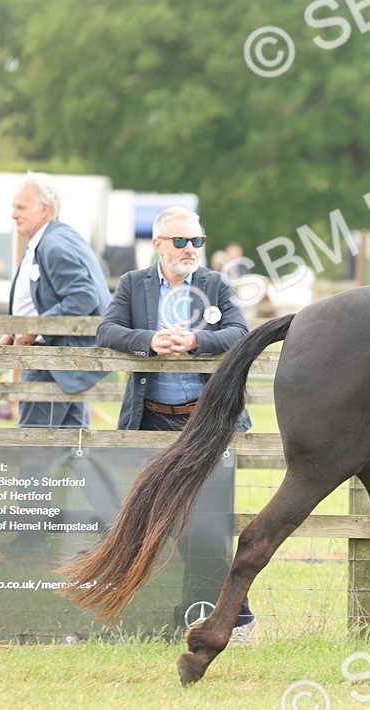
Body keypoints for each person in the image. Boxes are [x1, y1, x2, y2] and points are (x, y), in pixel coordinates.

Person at [97, 206, 257, 643]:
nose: (190, 250)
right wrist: (148, 341)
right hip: (151, 422)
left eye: (197, 242)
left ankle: (230, 619)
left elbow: (241, 332)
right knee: (159, 522)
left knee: (202, 524)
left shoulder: (214, 284)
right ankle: (198, 615)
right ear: (158, 244)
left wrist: (195, 341)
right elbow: (107, 330)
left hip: (204, 424)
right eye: (181, 241)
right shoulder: (133, 284)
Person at [0, 172, 111, 427]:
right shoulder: (52, 239)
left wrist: (34, 330)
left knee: (35, 451)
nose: (13, 214)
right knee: (71, 452)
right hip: (63, 362)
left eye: (20, 207)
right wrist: (13, 335)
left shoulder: (53, 244)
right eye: (14, 207)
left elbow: (82, 297)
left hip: (50, 362)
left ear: (44, 210)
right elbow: (42, 300)